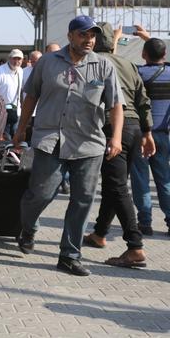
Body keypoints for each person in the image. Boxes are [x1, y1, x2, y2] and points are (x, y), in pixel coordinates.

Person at [12, 15, 123, 276]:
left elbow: (116, 105)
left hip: (89, 143)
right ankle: (28, 228)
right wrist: (19, 130)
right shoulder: (48, 63)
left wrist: (115, 137)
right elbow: (31, 97)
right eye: (84, 35)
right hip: (50, 139)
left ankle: (69, 255)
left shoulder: (103, 66)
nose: (89, 40)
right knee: (40, 193)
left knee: (83, 199)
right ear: (71, 36)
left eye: (93, 35)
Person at [82, 23, 154, 268]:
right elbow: (142, 100)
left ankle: (135, 246)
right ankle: (100, 233)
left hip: (112, 128)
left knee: (117, 187)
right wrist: (147, 132)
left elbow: (89, 99)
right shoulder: (127, 64)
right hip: (133, 129)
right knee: (115, 184)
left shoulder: (92, 62)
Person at [133, 35, 170, 236]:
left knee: (140, 179)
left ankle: (145, 222)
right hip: (164, 135)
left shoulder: (139, 73)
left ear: (143, 54)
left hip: (142, 134)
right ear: (164, 54)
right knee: (165, 179)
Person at [0, 49, 24, 140]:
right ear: (9, 58)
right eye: (14, 58)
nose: (17, 61)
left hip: (16, 110)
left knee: (15, 135)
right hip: (2, 111)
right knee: (5, 136)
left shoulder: (20, 71)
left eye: (19, 59)